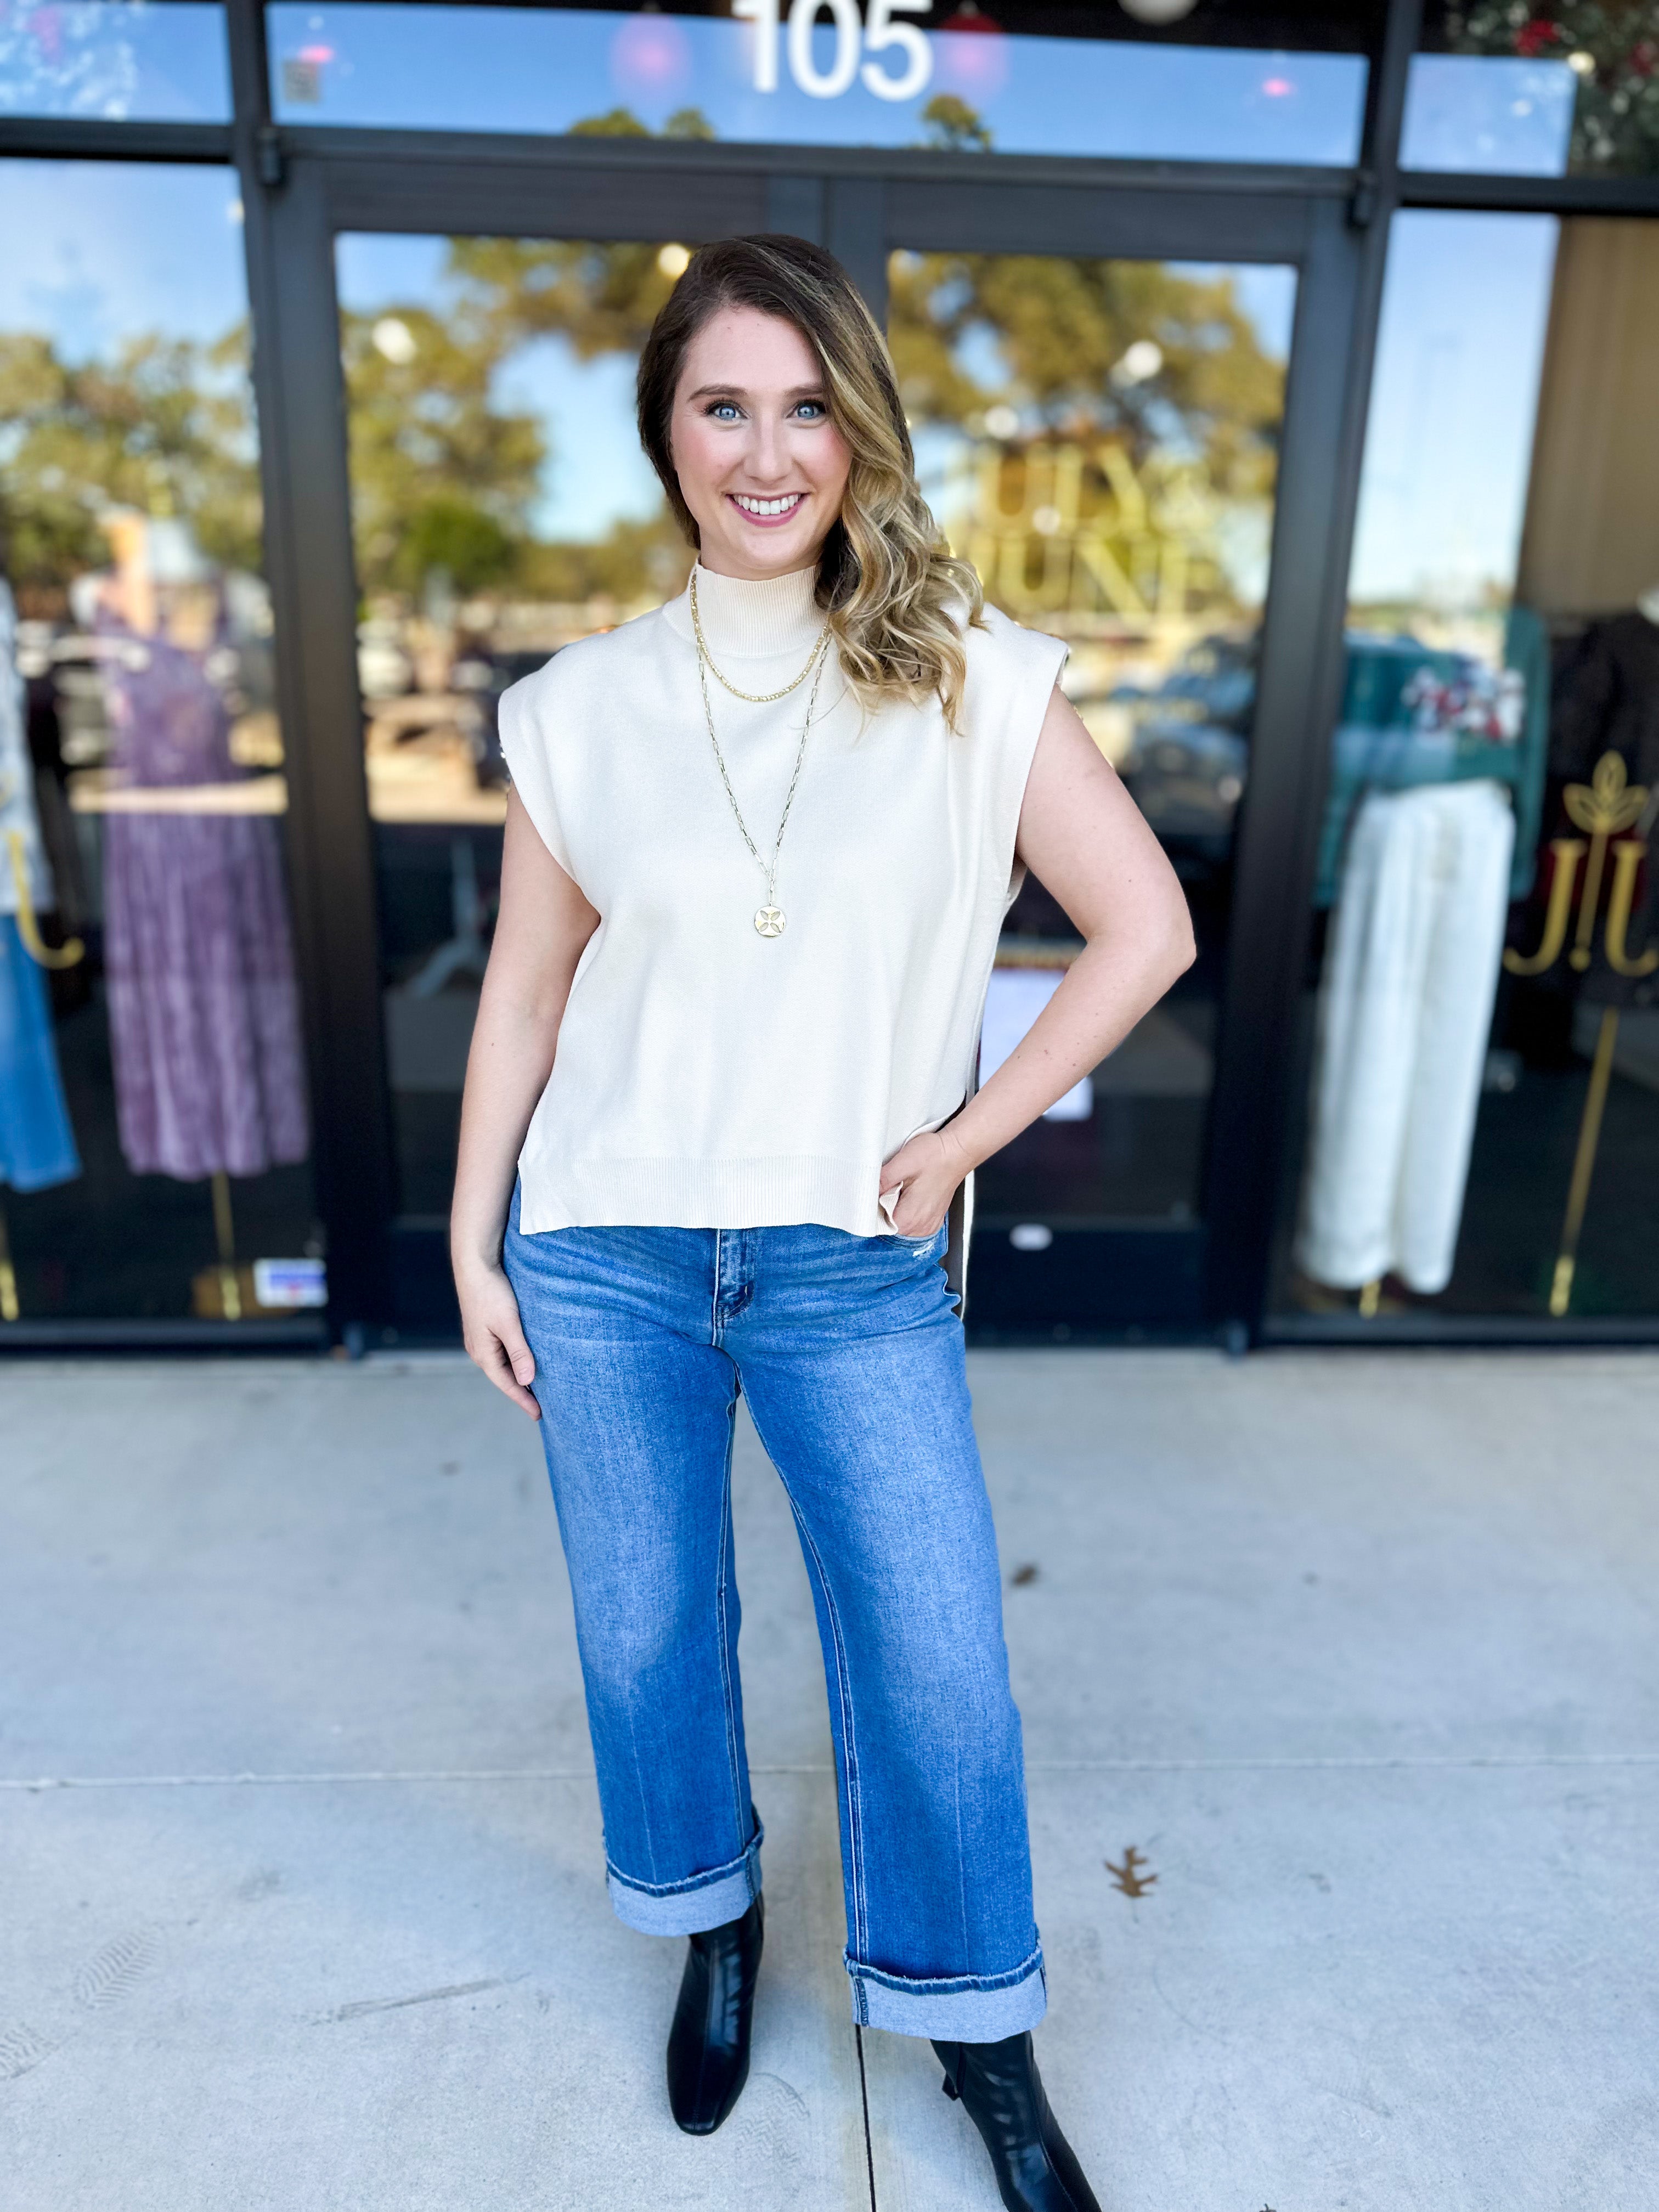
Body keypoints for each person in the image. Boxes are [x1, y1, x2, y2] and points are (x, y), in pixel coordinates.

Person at [450, 234, 1193, 2212]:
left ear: (858, 434)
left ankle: (982, 2037)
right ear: (667, 438)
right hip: (602, 1251)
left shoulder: (970, 677)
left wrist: (966, 1134)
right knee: (646, 1639)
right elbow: (527, 996)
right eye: (723, 407)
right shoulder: (579, 708)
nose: (768, 453)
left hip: (849, 1267)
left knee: (941, 1662)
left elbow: (1148, 930)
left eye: (806, 407)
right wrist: (472, 1237)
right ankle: (714, 1924)